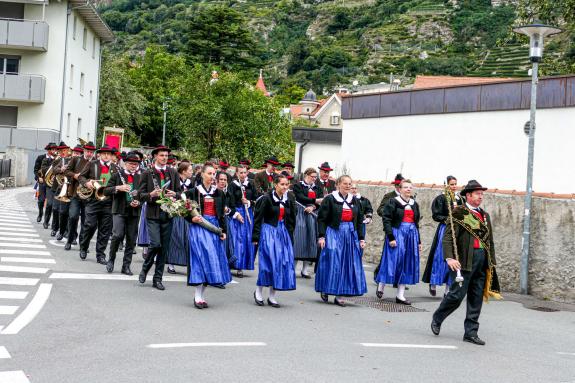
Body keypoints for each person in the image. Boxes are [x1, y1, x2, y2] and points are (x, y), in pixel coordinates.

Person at [431, 180, 500, 346]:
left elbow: (489, 240)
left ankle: (471, 332)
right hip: (463, 262)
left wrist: (491, 261)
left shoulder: (484, 216)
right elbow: (448, 238)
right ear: (468, 195)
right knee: (456, 296)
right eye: (477, 194)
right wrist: (450, 258)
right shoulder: (458, 213)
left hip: (481, 261)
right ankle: (438, 317)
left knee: (476, 298)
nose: (480, 197)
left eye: (482, 194)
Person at [315, 175, 367, 306]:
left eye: (350, 184)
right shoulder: (330, 199)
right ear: (338, 184)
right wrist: (321, 236)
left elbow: (359, 220)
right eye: (345, 183)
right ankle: (326, 288)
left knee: (347, 263)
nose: (348, 186)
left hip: (350, 234)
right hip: (333, 232)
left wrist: (361, 238)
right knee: (332, 260)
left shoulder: (354, 200)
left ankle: (340, 294)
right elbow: (321, 219)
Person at [185, 164, 231, 309]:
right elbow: (184, 212)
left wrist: (223, 231)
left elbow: (222, 215)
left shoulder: (219, 193)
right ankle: (197, 295)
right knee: (200, 259)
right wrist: (191, 219)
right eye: (209, 173)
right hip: (199, 228)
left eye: (214, 174)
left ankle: (202, 295)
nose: (212, 177)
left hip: (214, 228)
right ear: (202, 174)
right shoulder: (193, 192)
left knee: (211, 260)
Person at [137, 145, 182, 291]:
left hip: (168, 214)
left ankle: (158, 279)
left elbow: (180, 192)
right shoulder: (147, 173)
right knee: (155, 244)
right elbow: (139, 195)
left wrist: (174, 194)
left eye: (166, 156)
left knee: (164, 249)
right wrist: (151, 195)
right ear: (155, 156)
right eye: (162, 155)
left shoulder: (173, 172)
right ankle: (145, 268)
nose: (164, 158)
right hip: (153, 214)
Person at [374, 179, 422, 305]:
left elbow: (416, 223)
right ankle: (381, 284)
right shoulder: (393, 202)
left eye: (410, 187)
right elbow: (386, 219)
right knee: (391, 261)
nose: (408, 189)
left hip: (411, 235)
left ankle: (400, 295)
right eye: (405, 187)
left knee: (406, 263)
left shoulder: (414, 204)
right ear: (400, 189)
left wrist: (419, 241)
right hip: (397, 233)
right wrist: (391, 237)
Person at [252, 175, 297, 308]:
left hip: (282, 233)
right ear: (275, 185)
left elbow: (292, 219)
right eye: (282, 184)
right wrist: (255, 237)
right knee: (267, 263)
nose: (284, 187)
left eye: (286, 184)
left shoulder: (289, 199)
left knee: (281, 264)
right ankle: (258, 291)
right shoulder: (266, 199)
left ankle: (272, 296)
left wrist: (290, 236)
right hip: (268, 232)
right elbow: (258, 218)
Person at [422, 176, 462, 296]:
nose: (454, 186)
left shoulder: (460, 199)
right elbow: (436, 215)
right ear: (447, 185)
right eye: (451, 184)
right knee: (440, 257)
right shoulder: (441, 198)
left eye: (455, 184)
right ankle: (433, 283)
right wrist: (447, 219)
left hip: (457, 230)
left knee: (454, 257)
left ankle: (448, 289)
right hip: (445, 230)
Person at [102, 153, 142, 275]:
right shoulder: (117, 175)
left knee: (131, 239)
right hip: (119, 209)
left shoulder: (140, 178)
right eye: (131, 164)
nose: (134, 166)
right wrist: (118, 187)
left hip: (134, 211)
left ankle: (126, 266)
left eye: (136, 164)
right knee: (117, 235)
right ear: (125, 163)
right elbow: (106, 190)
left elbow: (143, 194)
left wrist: (138, 201)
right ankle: (111, 260)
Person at [78, 145, 117, 264]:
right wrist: (87, 182)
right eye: (104, 153)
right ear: (100, 154)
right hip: (93, 200)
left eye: (108, 154)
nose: (106, 156)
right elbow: (81, 176)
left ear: (111, 156)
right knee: (90, 225)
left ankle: (100, 255)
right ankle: (84, 247)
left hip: (108, 202)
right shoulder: (92, 164)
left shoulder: (115, 168)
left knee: (105, 230)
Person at [63, 142, 95, 250]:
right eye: (88, 151)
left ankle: (83, 244)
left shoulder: (95, 163)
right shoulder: (76, 159)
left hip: (89, 196)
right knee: (73, 217)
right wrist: (75, 175)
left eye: (91, 152)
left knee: (86, 222)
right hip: (76, 194)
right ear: (84, 151)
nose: (89, 153)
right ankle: (70, 239)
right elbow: (67, 171)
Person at [292, 168, 323, 279]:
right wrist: (315, 201)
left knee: (310, 241)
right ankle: (293, 268)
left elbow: (321, 202)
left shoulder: (318, 188)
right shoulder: (297, 186)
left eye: (315, 177)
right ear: (306, 175)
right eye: (312, 177)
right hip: (301, 213)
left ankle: (304, 270)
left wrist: (313, 206)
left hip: (313, 215)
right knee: (299, 241)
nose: (314, 179)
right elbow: (300, 197)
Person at [228, 164, 257, 278]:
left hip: (248, 213)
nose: (243, 175)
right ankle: (236, 265)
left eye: (245, 172)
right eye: (241, 173)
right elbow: (230, 202)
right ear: (236, 174)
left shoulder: (251, 184)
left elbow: (256, 199)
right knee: (237, 239)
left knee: (247, 239)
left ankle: (243, 265)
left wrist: (249, 202)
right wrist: (236, 214)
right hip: (237, 214)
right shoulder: (232, 185)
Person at [166, 162, 194, 274]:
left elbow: (191, 196)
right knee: (175, 237)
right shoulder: (174, 180)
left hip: (186, 212)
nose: (192, 172)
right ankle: (171, 264)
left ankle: (188, 263)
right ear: (183, 171)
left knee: (187, 238)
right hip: (175, 212)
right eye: (190, 170)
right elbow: (169, 194)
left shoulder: (191, 183)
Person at [49, 142, 71, 238]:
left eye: (64, 150)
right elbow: (54, 170)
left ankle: (65, 230)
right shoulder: (56, 161)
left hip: (67, 188)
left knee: (65, 211)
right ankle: (54, 228)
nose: (63, 152)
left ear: (67, 151)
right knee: (55, 208)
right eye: (61, 150)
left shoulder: (71, 160)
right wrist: (61, 169)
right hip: (57, 187)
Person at [34, 143, 55, 223]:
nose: (54, 151)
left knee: (50, 203)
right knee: (41, 200)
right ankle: (40, 213)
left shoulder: (56, 159)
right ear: (48, 150)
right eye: (52, 149)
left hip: (51, 183)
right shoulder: (40, 158)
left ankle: (46, 220)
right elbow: (36, 170)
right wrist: (38, 178)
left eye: (55, 149)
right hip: (42, 182)